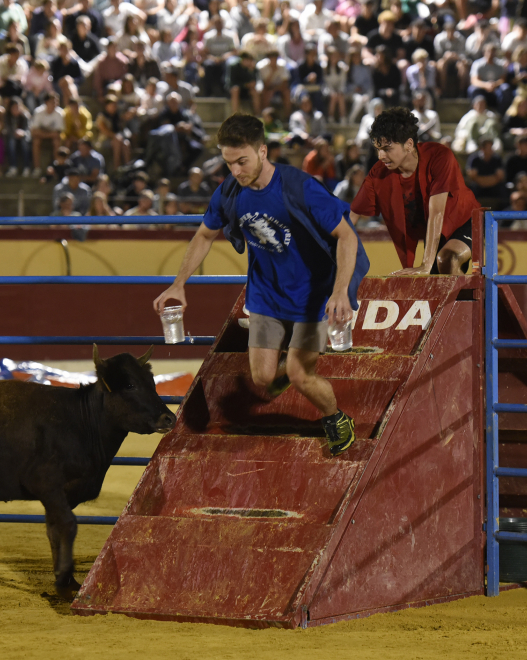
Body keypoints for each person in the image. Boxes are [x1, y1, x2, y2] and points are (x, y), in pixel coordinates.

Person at [153, 113, 370, 457]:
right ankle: (286, 364)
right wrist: (178, 284)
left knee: (300, 375)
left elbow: (346, 236)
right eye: (229, 163)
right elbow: (205, 235)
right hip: (267, 294)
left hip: (314, 293)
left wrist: (341, 290)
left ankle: (336, 417)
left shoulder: (300, 187)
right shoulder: (229, 191)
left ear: (263, 151)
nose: (236, 171)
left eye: (242, 161)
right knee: (263, 378)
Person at [350, 107, 480, 276]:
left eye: (387, 149)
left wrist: (425, 265)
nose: (381, 156)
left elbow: (437, 213)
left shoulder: (439, 156)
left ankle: (474, 302)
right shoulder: (379, 173)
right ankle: (468, 300)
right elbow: (351, 216)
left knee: (447, 259)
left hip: (466, 221)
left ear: (409, 144)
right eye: (378, 148)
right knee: (437, 284)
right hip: (435, 232)